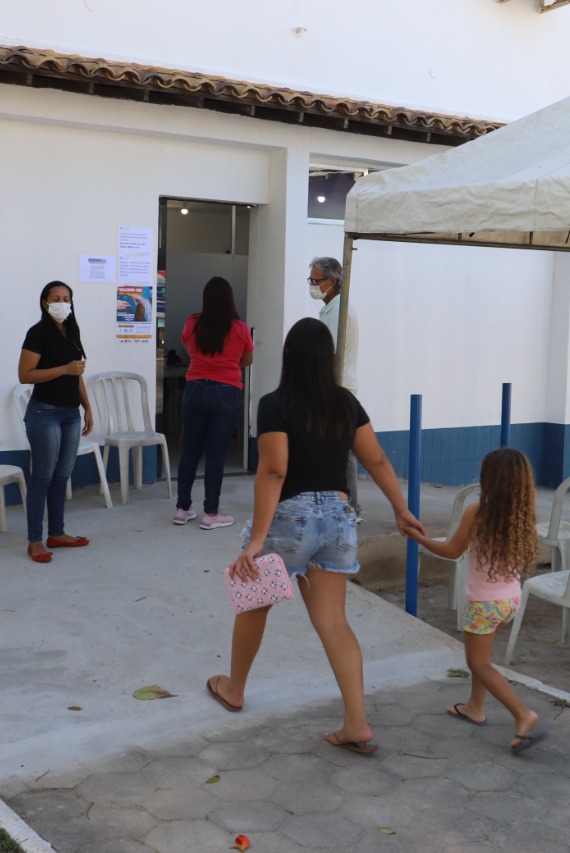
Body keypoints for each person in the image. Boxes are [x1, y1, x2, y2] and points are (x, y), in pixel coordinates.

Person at [205, 318, 425, 755]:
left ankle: (234, 688)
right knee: (334, 622)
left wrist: (256, 540)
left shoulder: (274, 404)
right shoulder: (346, 403)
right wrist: (401, 509)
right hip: (339, 519)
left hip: (291, 518)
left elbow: (274, 470)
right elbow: (376, 459)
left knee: (254, 605)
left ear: (288, 356)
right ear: (330, 360)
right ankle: (356, 722)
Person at [401, 448, 547, 754]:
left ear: (489, 480)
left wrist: (418, 538)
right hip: (510, 599)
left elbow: (453, 551)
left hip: (484, 603)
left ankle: (522, 714)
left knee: (476, 662)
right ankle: (474, 707)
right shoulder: (524, 508)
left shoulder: (478, 512)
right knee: (483, 659)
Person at [18, 281, 94, 563]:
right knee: (42, 478)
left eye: (66, 298)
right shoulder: (38, 333)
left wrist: (87, 407)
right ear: (44, 303)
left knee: (62, 476)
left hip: (69, 414)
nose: (62, 303)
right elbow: (25, 375)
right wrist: (64, 368)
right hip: (44, 414)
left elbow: (77, 376)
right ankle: (35, 540)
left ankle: (57, 533)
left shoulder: (71, 332)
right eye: (56, 298)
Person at [174, 277, 254, 529]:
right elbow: (248, 358)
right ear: (230, 299)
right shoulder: (240, 328)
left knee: (191, 451)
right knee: (216, 455)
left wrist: (206, 365)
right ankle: (211, 514)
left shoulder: (192, 322)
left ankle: (182, 509)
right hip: (227, 391)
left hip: (194, 389)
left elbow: (188, 349)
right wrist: (227, 367)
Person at [308, 256, 361, 516]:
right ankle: (343, 506)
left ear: (332, 281)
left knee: (342, 451)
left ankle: (350, 508)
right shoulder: (332, 307)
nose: (312, 285)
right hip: (334, 386)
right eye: (311, 280)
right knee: (336, 450)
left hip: (335, 388)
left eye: (316, 281)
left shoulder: (338, 311)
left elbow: (329, 356)